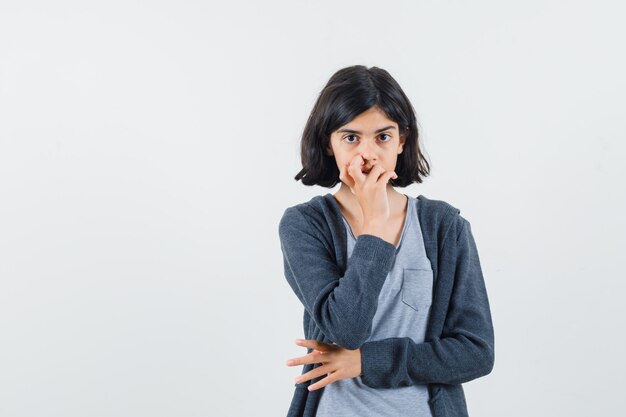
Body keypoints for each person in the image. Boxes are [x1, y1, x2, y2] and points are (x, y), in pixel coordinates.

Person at [278, 65, 495, 417]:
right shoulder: (305, 224)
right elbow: (345, 329)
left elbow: (476, 352)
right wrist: (375, 224)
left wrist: (367, 361)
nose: (368, 154)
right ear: (328, 144)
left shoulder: (444, 227)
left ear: (402, 140)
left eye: (382, 137)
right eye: (351, 138)